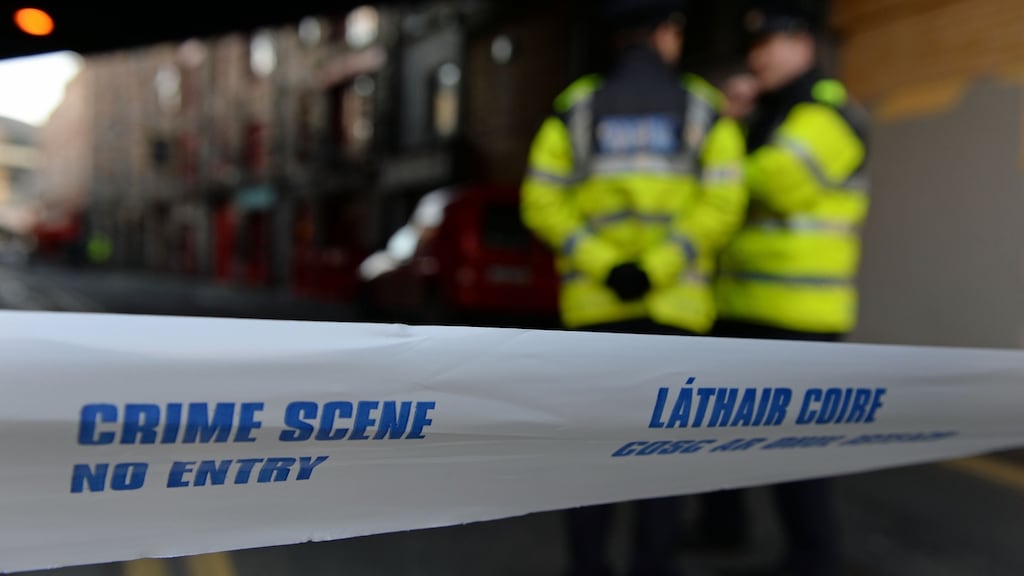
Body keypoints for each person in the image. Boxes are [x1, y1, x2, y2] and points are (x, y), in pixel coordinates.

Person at [520, 1, 747, 574]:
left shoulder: (577, 107)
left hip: (595, 312)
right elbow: (723, 203)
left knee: (591, 461)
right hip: (676, 313)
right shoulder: (702, 107)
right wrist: (660, 268)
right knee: (662, 466)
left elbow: (541, 202)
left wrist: (604, 264)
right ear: (667, 33)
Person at [706, 2, 872, 575]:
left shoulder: (830, 113)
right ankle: (722, 528)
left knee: (796, 446)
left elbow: (774, 183)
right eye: (753, 46)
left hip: (800, 311)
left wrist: (724, 136)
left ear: (805, 43)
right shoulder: (772, 112)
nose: (759, 55)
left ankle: (812, 556)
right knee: (720, 433)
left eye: (771, 42)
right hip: (739, 303)